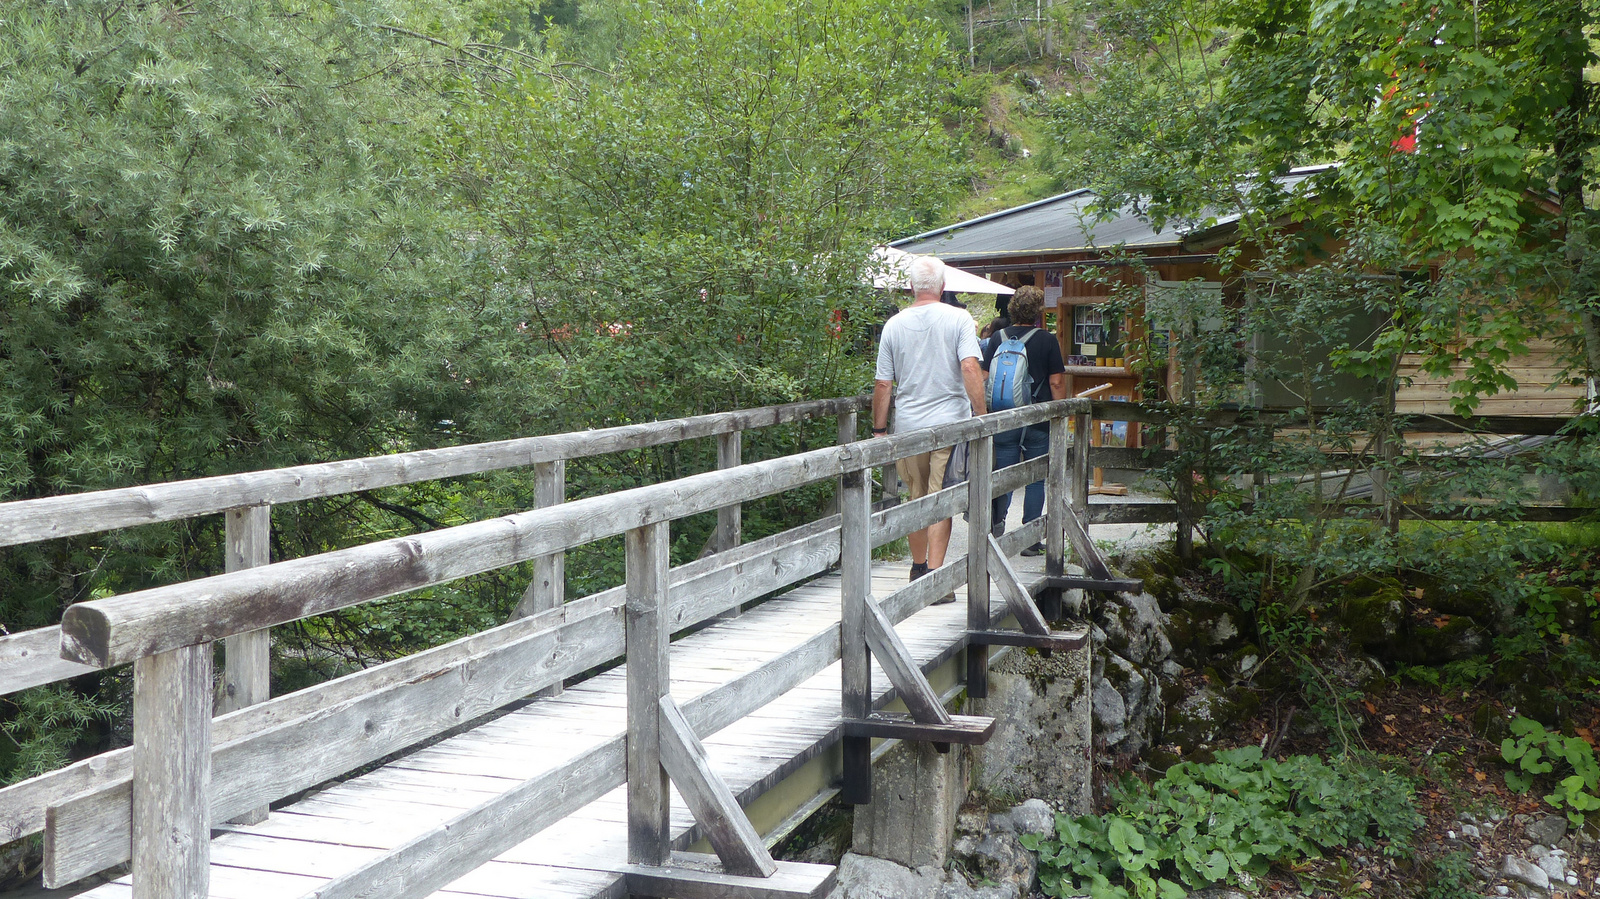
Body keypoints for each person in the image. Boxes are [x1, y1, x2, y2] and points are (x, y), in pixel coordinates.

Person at [872, 255, 987, 584]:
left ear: (911, 287)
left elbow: (883, 383)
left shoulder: (893, 325)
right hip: (949, 424)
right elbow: (969, 367)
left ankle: (918, 567)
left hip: (909, 427)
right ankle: (935, 576)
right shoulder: (959, 319)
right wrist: (981, 417)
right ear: (943, 286)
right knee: (941, 498)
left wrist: (879, 430)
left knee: (917, 495)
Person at [980, 286, 1066, 555]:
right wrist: (1060, 412)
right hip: (1037, 419)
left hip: (1003, 417)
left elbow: (984, 378)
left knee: (1002, 475)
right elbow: (1057, 382)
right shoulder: (1047, 340)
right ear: (1038, 312)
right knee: (1036, 478)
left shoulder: (997, 337)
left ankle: (995, 529)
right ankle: (1030, 538)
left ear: (1013, 308)